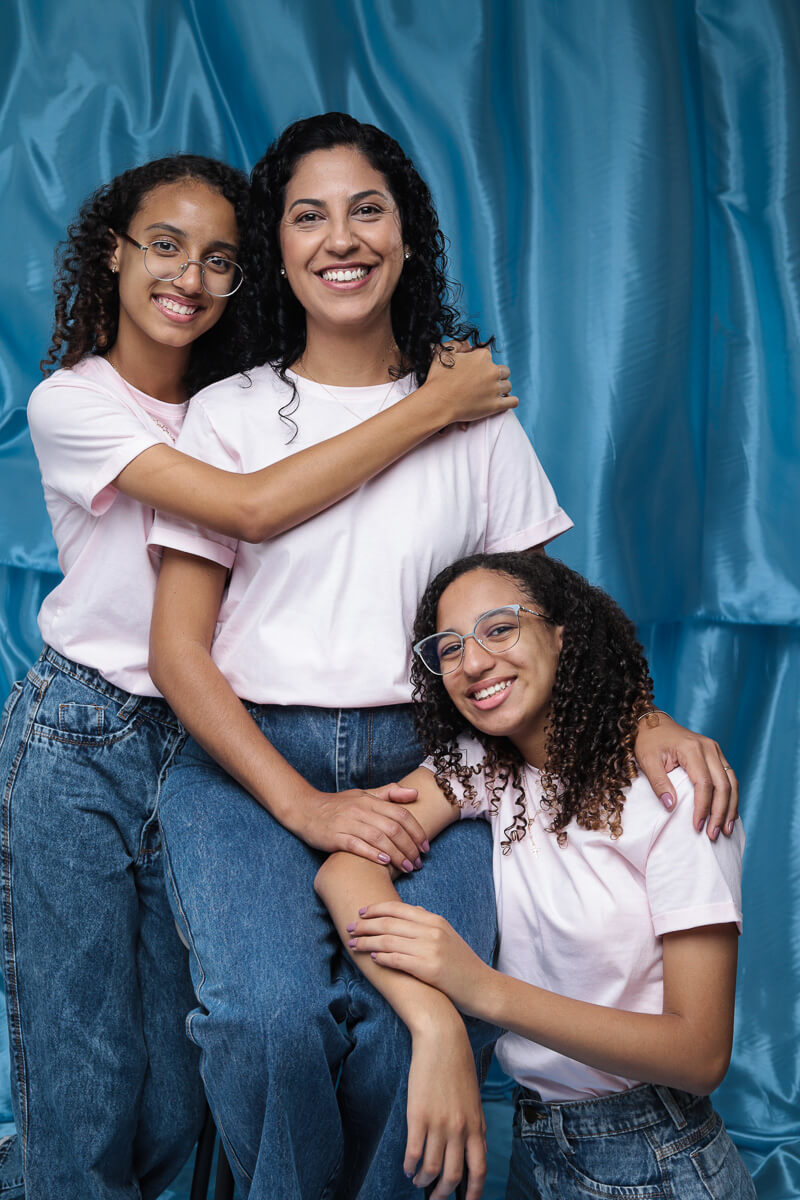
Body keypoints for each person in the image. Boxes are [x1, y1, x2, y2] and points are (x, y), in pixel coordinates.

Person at [147, 112, 739, 1199]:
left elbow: (545, 615)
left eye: (367, 209)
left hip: (433, 762)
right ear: (277, 248)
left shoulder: (476, 419)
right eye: (307, 215)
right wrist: (300, 805)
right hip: (241, 759)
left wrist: (643, 718)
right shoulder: (226, 414)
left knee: (415, 1028)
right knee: (265, 1023)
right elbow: (178, 656)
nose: (341, 238)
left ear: (407, 234)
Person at [0, 152, 515, 1200]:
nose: (188, 275)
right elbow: (248, 511)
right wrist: (430, 406)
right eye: (163, 245)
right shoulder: (73, 404)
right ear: (113, 250)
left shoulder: (226, 402)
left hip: (200, 735)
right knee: (84, 1060)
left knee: (176, 1077)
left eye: (220, 259)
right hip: (88, 735)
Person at [317, 551, 755, 1200]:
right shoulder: (490, 771)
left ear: (561, 634)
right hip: (534, 1146)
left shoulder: (674, 791)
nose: (472, 663)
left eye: (499, 628)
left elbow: (701, 1055)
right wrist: (434, 1021)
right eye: (450, 647)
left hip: (654, 1159)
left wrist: (479, 989)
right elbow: (346, 866)